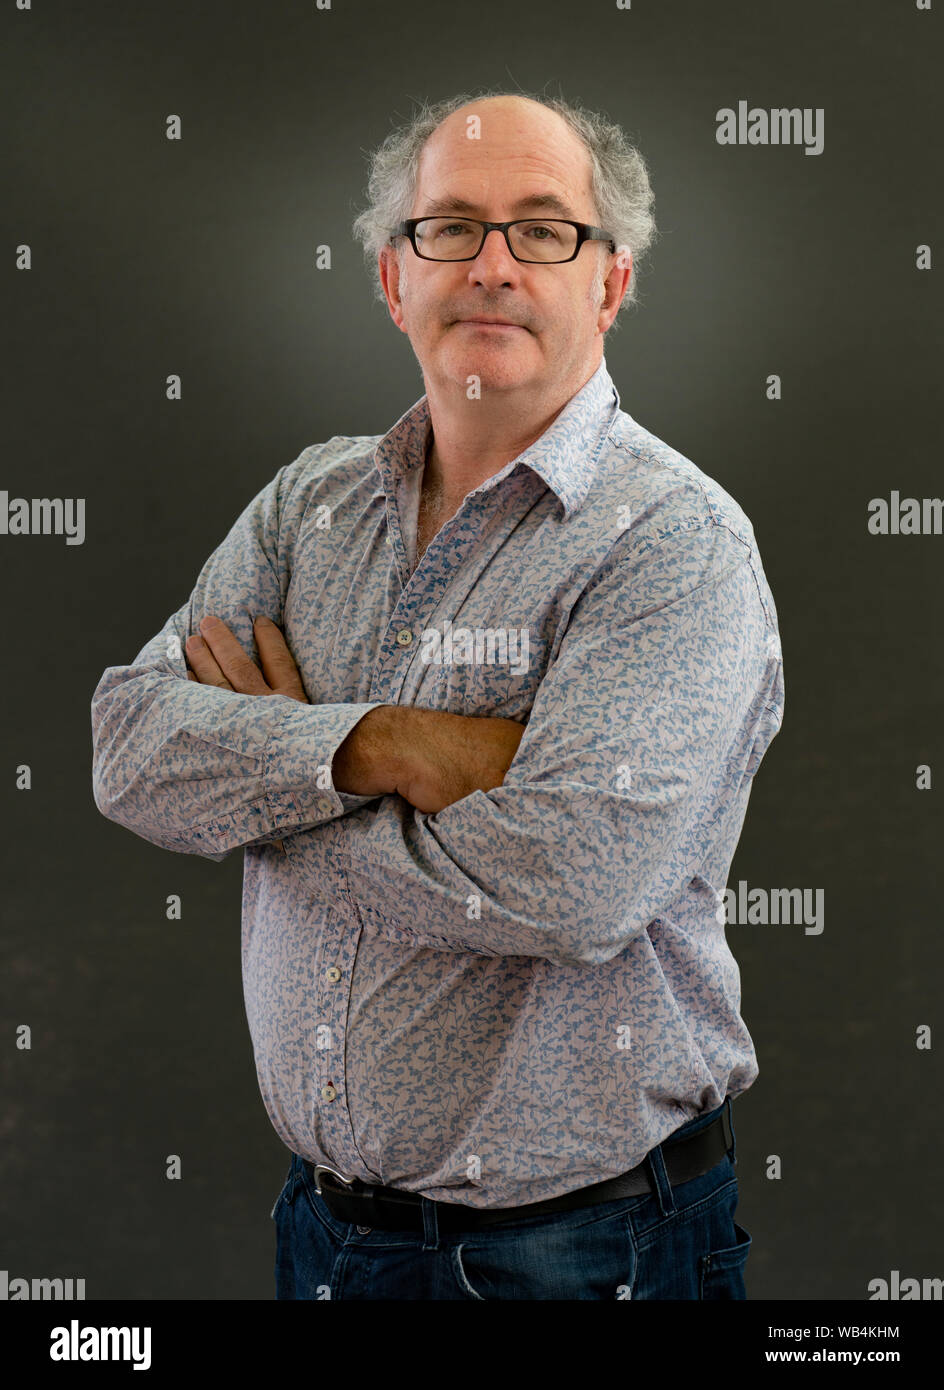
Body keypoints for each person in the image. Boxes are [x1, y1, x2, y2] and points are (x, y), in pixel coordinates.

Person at [90, 89, 785, 1300]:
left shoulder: (674, 545)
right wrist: (392, 743)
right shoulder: (307, 505)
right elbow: (131, 754)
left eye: (542, 229)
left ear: (609, 283)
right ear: (392, 277)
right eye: (450, 228)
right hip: (319, 1234)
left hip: (580, 1254)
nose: (493, 266)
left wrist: (267, 776)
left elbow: (572, 884)